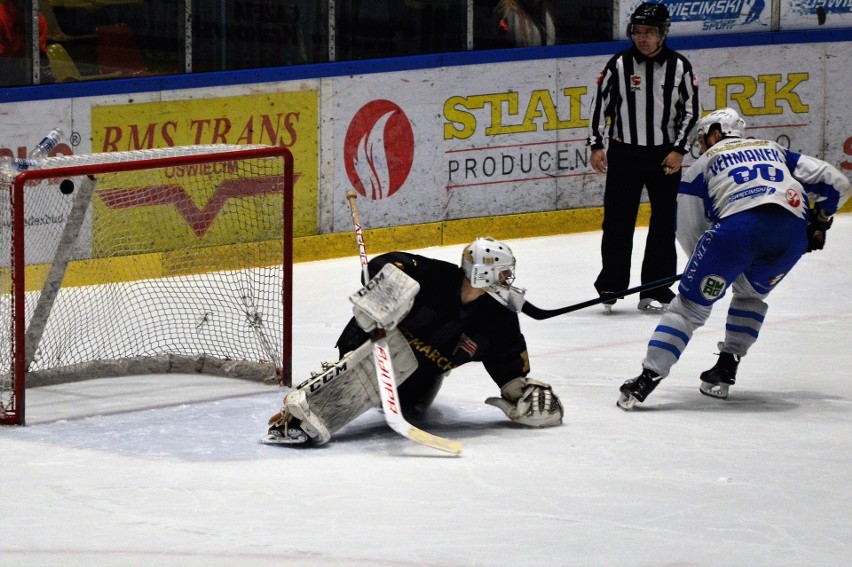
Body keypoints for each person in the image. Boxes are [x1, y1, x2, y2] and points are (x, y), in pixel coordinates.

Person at [617, 107, 851, 410]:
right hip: (791, 233)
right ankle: (726, 368)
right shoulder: (773, 149)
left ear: (716, 133)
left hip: (736, 233)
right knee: (752, 295)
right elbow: (837, 183)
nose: (700, 147)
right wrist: (820, 220)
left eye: (702, 140)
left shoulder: (703, 164)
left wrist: (702, 269)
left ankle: (646, 380)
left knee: (688, 308)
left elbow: (688, 229)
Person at [263, 237, 564, 446]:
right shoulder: (433, 276)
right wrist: (386, 292)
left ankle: (382, 392)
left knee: (414, 408)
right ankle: (300, 419)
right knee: (391, 356)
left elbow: (510, 366)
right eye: (503, 272)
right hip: (372, 346)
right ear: (484, 273)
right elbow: (383, 265)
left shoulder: (499, 318)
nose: (508, 278)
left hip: (422, 375)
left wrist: (521, 394)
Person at [587, 2, 699, 314]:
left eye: (648, 32)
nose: (642, 37)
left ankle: (657, 287)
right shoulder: (619, 65)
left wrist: (679, 150)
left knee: (664, 222)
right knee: (618, 221)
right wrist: (597, 145)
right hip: (624, 154)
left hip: (665, 155)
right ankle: (611, 284)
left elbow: (691, 113)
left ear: (663, 33)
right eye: (637, 31)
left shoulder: (680, 67)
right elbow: (600, 106)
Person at [0, 0, 51, 86]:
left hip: (20, 73)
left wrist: (44, 73)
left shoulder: (39, 21)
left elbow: (41, 57)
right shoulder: (1, 18)